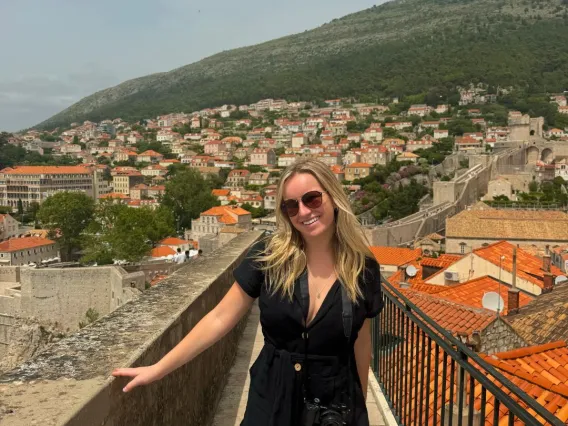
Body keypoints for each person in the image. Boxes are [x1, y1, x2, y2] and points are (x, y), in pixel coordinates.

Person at [112, 158, 383, 425]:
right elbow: (220, 318)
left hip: (334, 403)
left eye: (311, 199)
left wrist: (359, 408)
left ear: (333, 197)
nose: (303, 211)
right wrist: (159, 369)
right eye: (291, 206)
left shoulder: (363, 269)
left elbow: (360, 341)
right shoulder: (268, 258)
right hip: (272, 398)